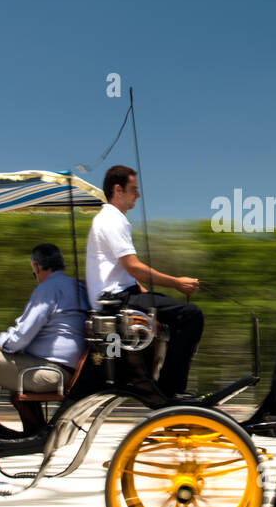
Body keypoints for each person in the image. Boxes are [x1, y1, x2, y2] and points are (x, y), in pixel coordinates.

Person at [86, 165, 203, 398]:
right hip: (117, 300)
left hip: (121, 295)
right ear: (118, 190)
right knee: (191, 315)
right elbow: (134, 267)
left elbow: (127, 274)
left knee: (174, 314)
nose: (138, 195)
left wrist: (154, 301)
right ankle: (171, 389)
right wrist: (178, 283)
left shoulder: (111, 219)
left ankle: (160, 383)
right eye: (134, 189)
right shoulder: (112, 219)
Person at [0, 243, 88, 436]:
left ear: (36, 267)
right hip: (66, 370)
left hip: (48, 372)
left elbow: (22, 336)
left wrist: (0, 343)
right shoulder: (76, 287)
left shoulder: (48, 288)